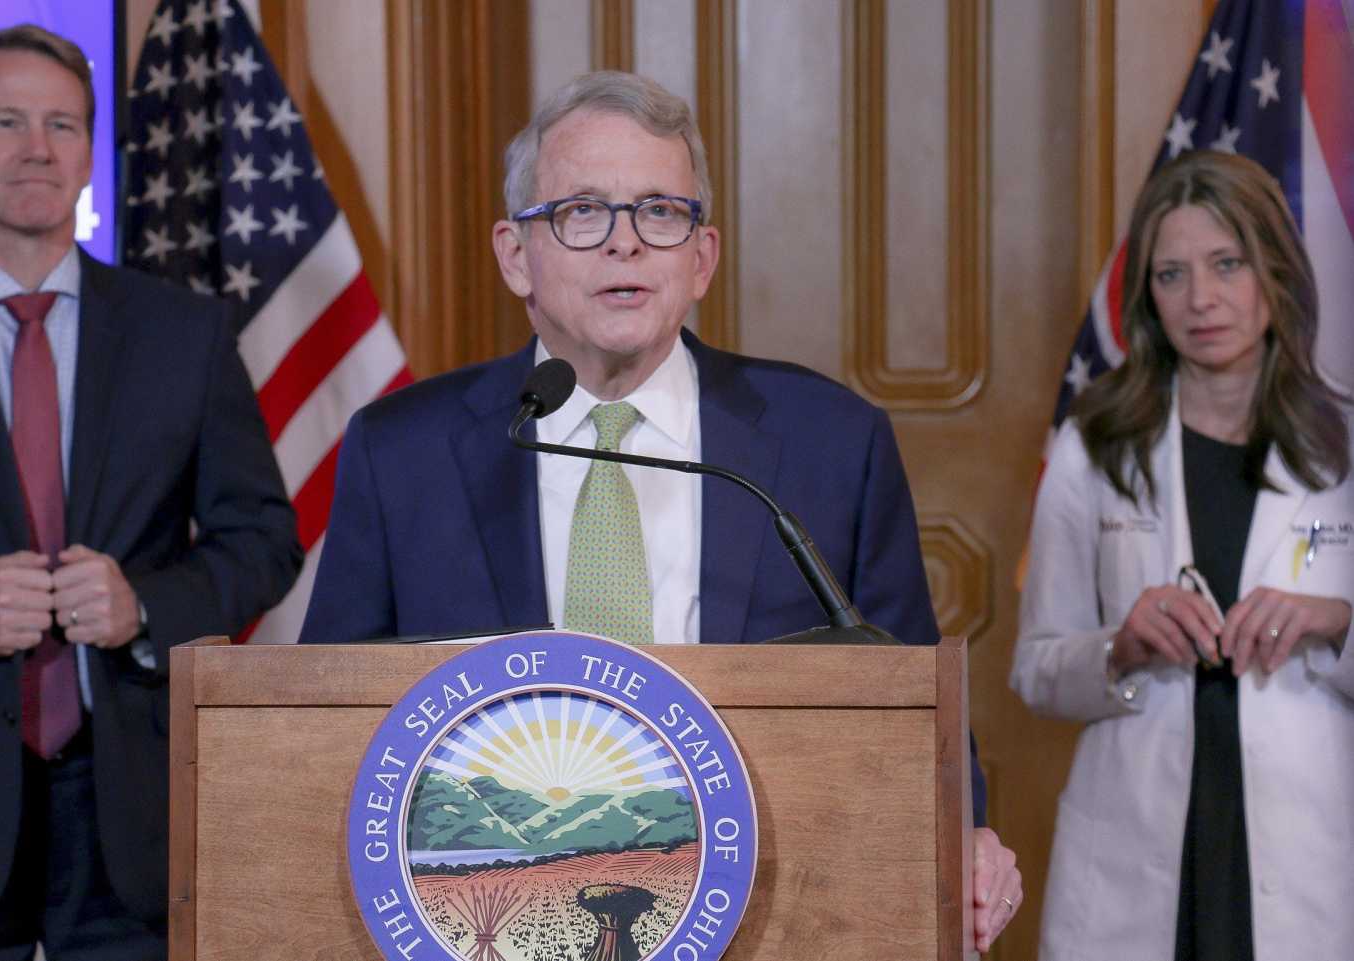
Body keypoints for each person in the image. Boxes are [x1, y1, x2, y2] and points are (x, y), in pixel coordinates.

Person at [300, 70, 1020, 952]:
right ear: (514, 253)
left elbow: (917, 707)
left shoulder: (831, 443)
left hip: (781, 914)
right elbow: (328, 720)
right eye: (582, 213)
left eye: (659, 213)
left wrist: (968, 836)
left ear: (702, 257)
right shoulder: (401, 451)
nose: (626, 245)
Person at [0, 24, 302, 960]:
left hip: (137, 813)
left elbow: (262, 537)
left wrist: (146, 604)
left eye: (64, 124)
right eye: (6, 121)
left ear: (92, 153)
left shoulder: (187, 337)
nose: (37, 148)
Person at [1010, 150, 1353, 960]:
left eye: (1227, 264)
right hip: (1136, 849)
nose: (1202, 299)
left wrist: (1337, 622)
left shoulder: (1344, 438)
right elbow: (1035, 669)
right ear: (1146, 296)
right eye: (1171, 275)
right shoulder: (1095, 444)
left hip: (1308, 843)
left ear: (1275, 268)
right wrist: (1120, 646)